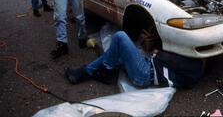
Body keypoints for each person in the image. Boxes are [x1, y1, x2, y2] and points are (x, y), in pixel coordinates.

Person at [65, 31, 205, 89]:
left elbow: (163, 58)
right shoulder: (195, 63)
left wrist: (157, 51)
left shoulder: (195, 65)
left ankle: (106, 70)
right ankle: (84, 72)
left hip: (145, 74)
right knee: (116, 52)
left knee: (120, 36)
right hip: (148, 68)